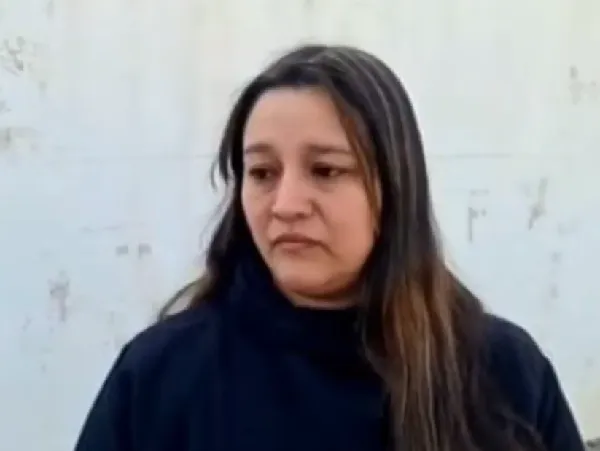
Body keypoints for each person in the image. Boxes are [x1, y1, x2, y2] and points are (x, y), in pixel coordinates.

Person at [74, 44, 586, 451]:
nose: (286, 205)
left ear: (395, 187)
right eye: (262, 173)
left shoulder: (502, 373)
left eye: (325, 170)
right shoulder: (161, 376)